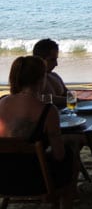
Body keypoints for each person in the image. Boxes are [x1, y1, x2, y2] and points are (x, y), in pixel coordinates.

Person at [0, 56, 76, 207]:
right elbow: (59, 155)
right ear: (42, 79)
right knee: (71, 156)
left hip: (3, 178)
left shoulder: (2, 102)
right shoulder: (48, 111)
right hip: (36, 181)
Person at [32, 38, 69, 108]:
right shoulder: (31, 81)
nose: (56, 64)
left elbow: (69, 95)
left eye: (56, 59)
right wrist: (70, 100)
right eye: (52, 60)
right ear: (39, 59)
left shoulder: (55, 76)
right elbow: (39, 99)